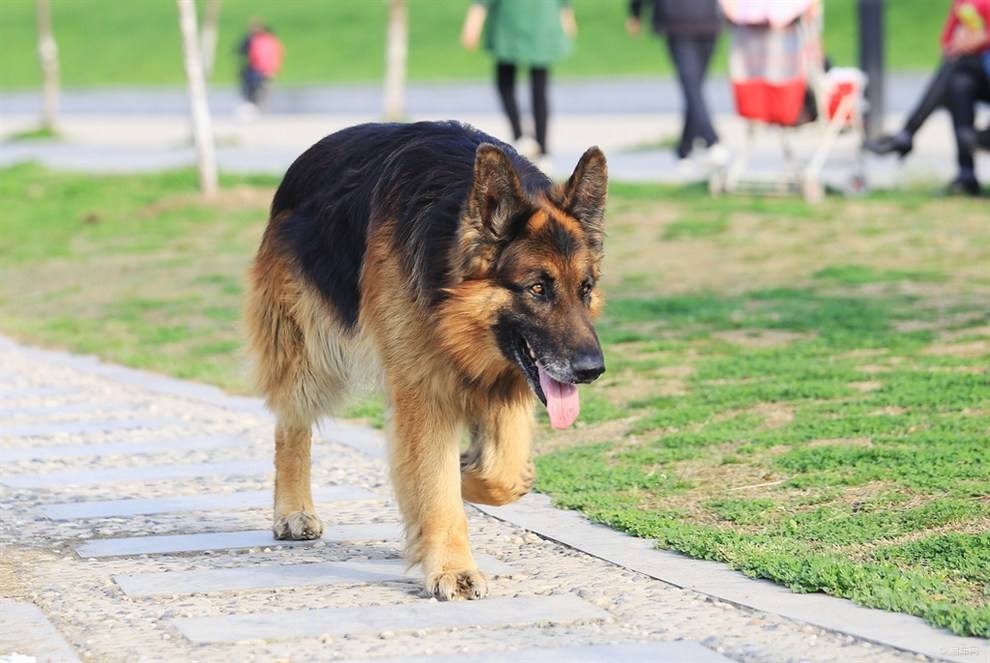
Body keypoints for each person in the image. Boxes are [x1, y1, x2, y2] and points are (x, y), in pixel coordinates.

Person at [865, 0, 990, 196]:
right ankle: (967, 176)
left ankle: (907, 133)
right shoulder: (962, 2)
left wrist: (980, 40)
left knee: (955, 67)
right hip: (976, 72)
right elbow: (947, 41)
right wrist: (960, 43)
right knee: (959, 85)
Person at [461, 0, 577, 173]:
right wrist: (567, 16)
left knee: (521, 83)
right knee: (535, 86)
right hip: (533, 21)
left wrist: (474, 20)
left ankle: (531, 142)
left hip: (521, 21)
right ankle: (537, 147)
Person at [627, 0, 728, 168]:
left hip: (707, 20)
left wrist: (635, 12)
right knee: (692, 86)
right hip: (679, 21)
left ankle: (685, 147)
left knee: (693, 88)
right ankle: (710, 140)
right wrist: (636, 12)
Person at [237, 20, 284, 117]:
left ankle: (253, 105)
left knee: (253, 87)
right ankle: (257, 106)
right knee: (260, 88)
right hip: (266, 70)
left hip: (258, 69)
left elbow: (256, 56)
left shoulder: (258, 41)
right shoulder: (272, 40)